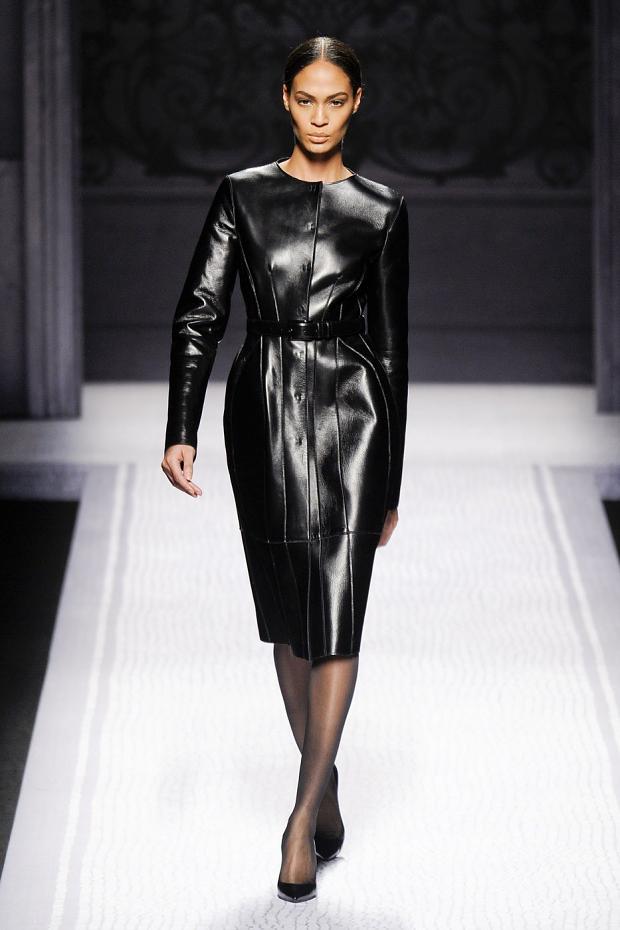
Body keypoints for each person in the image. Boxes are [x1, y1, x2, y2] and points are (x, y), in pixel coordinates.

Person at [161, 35, 409, 903]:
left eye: (334, 101)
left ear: (356, 103)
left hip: (352, 410)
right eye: (306, 99)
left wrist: (392, 478)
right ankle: (324, 774)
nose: (319, 116)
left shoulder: (381, 210)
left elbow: (392, 349)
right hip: (262, 405)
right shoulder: (242, 194)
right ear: (285, 99)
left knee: (337, 607)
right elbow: (200, 311)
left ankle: (300, 817)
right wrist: (181, 425)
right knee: (289, 616)